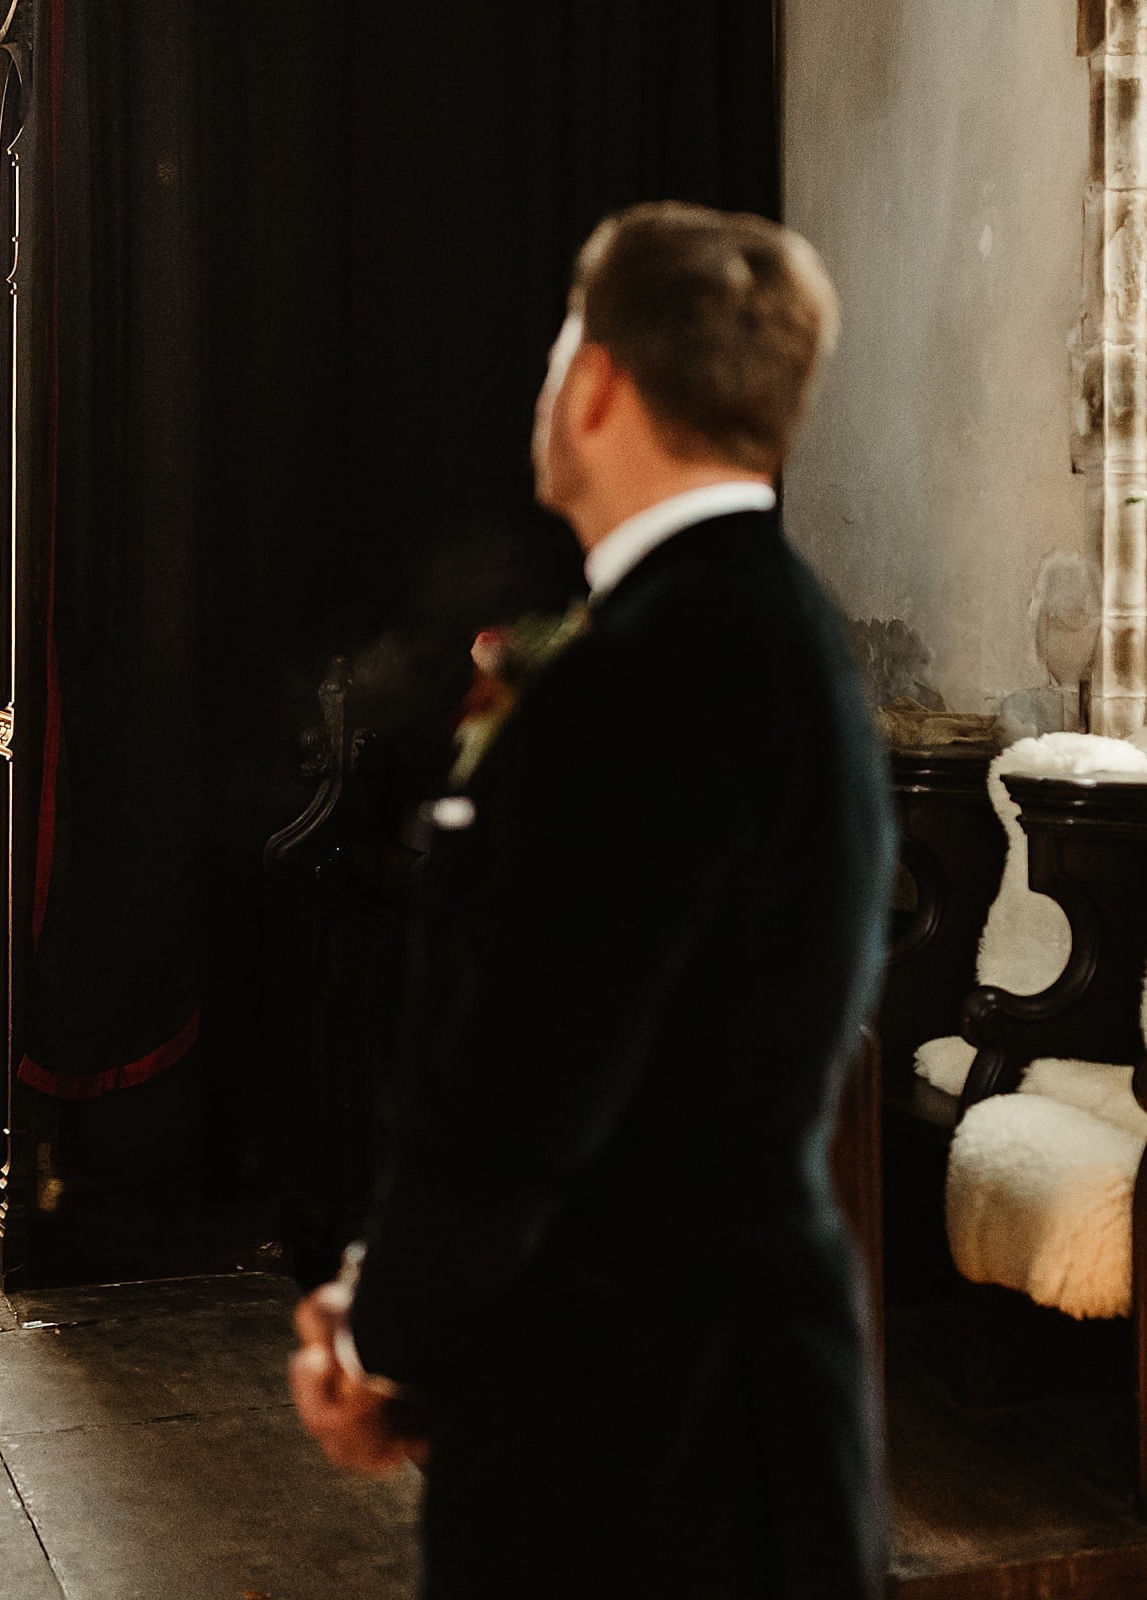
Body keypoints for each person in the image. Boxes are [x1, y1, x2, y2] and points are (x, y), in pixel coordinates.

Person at [289, 202, 895, 1596]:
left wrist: (384, 1339)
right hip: (738, 1387)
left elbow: (525, 1081)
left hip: (642, 1442)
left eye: (563, 349)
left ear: (602, 379)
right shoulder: (775, 622)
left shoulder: (647, 671)